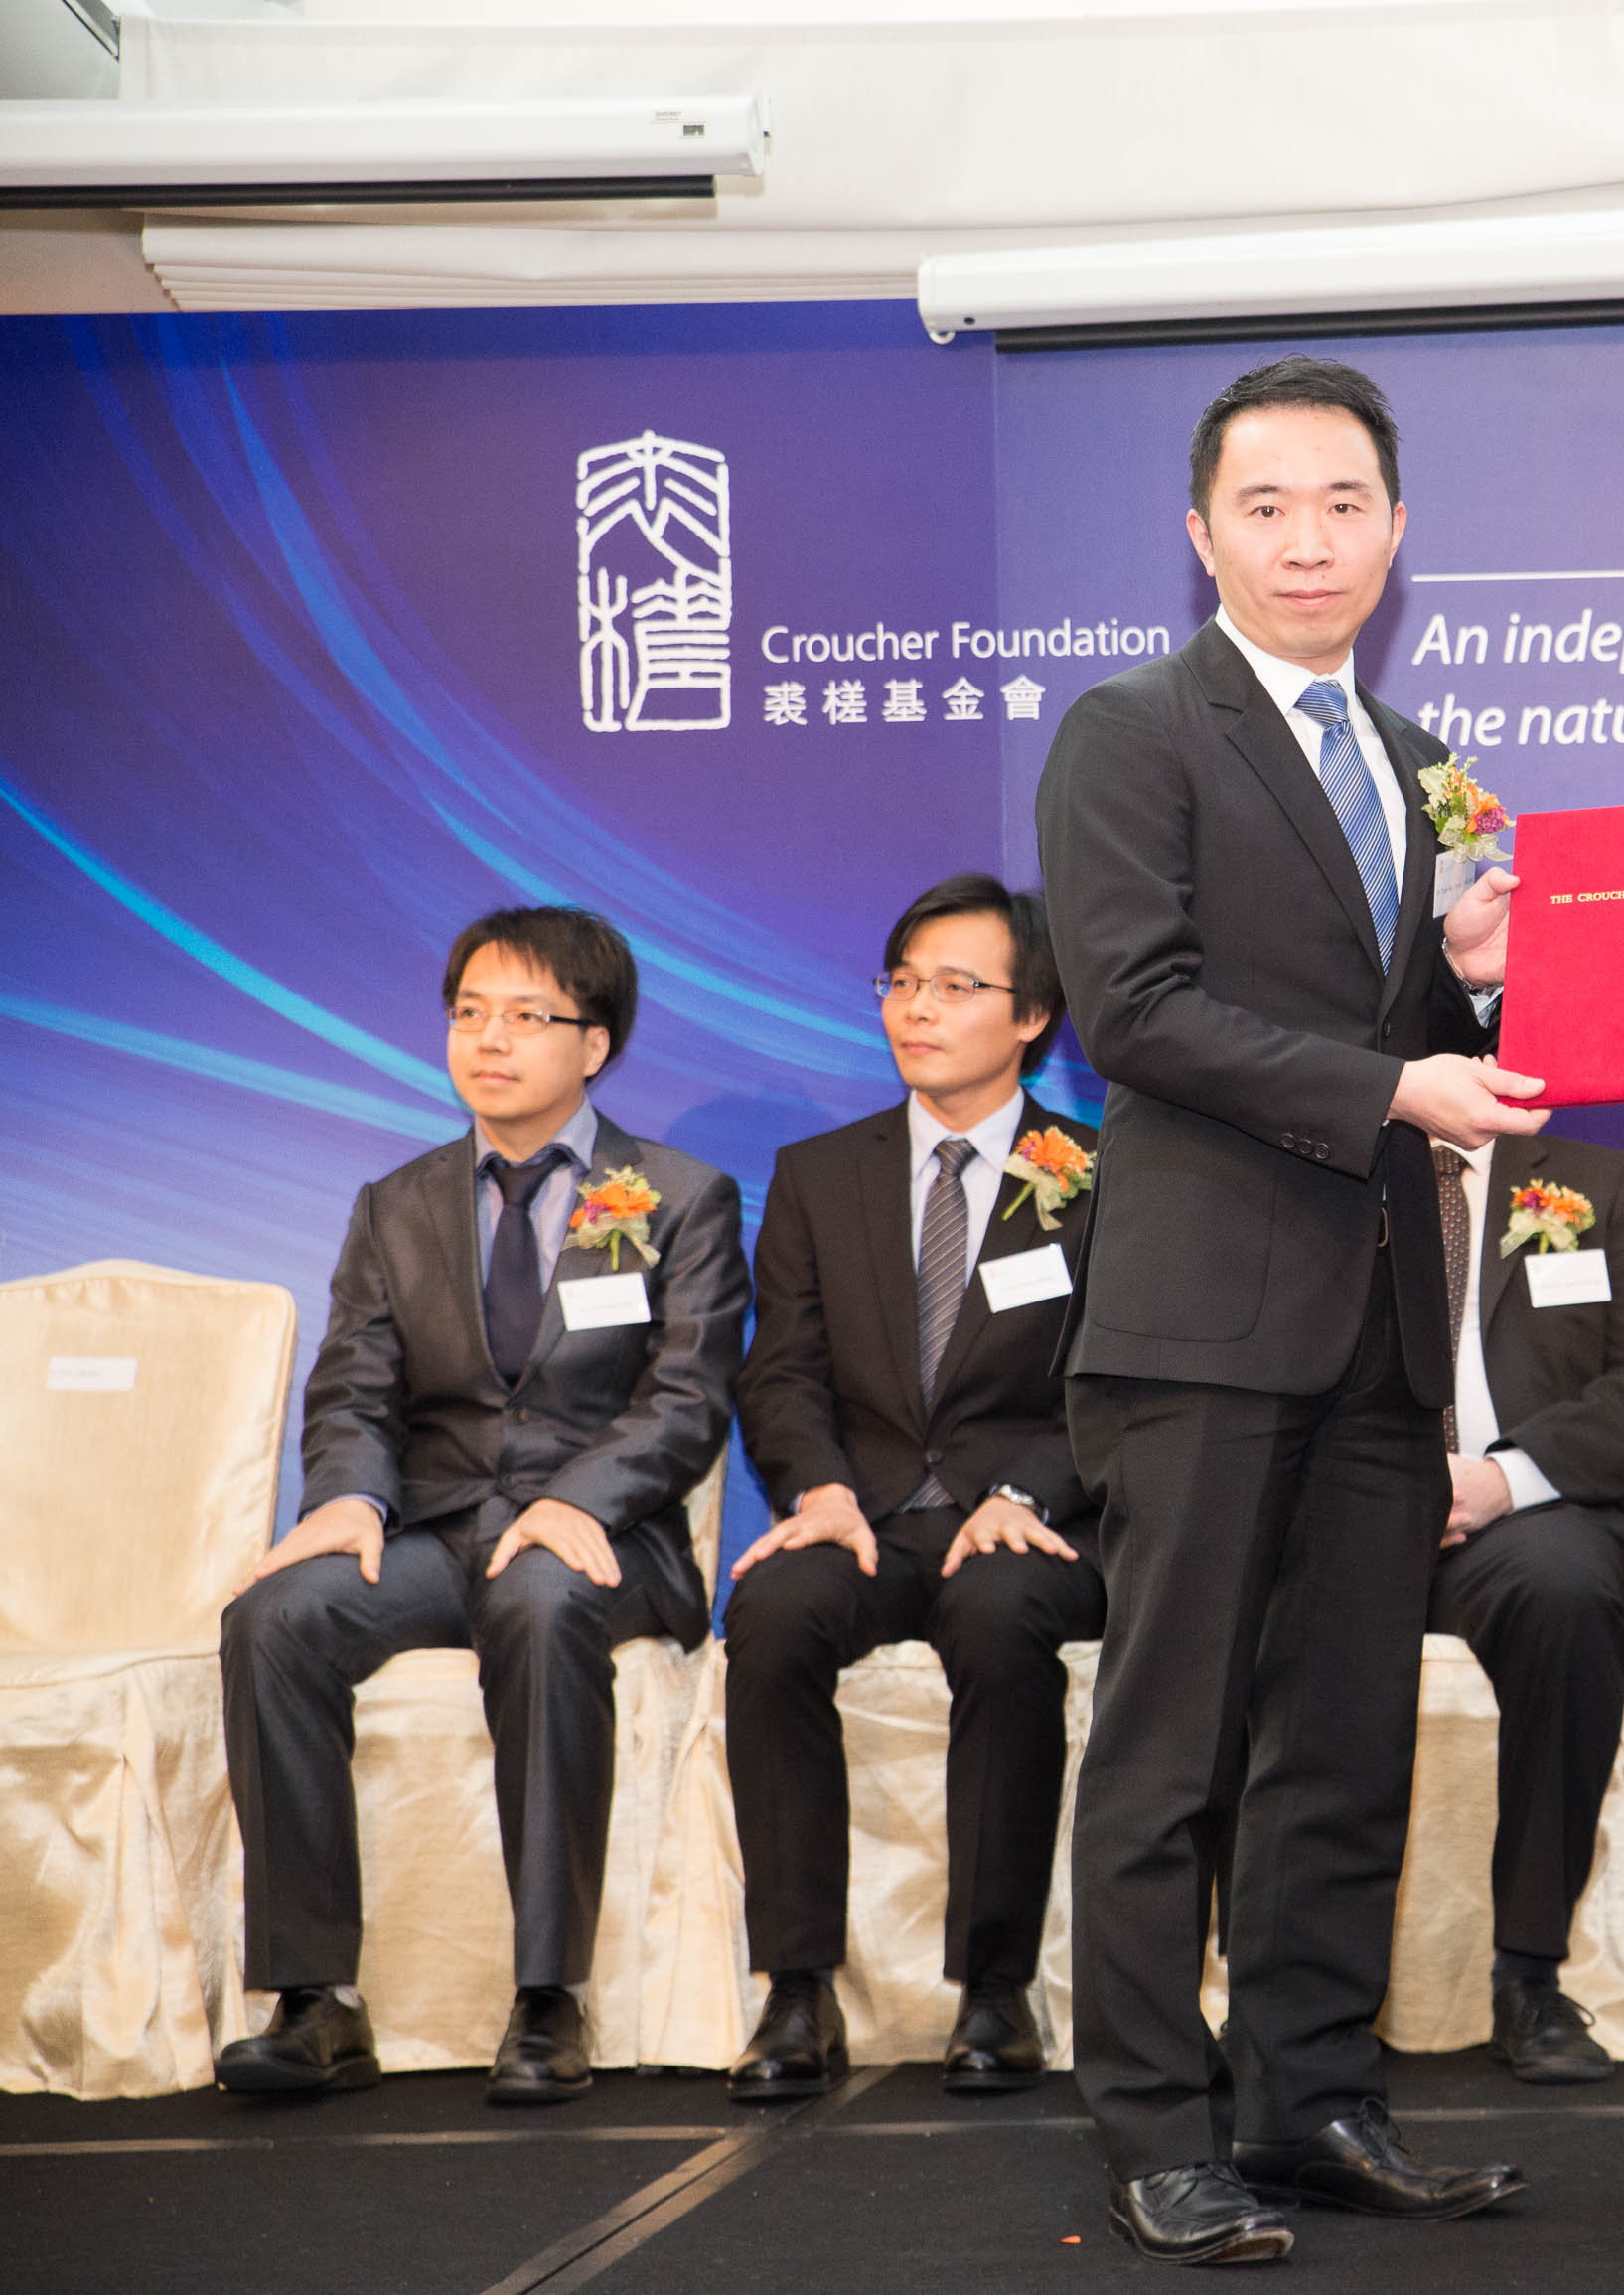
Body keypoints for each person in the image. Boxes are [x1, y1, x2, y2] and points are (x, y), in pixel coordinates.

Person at [1034, 356, 1542, 2268]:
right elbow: (1136, 1010)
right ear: (1200, 533)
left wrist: (1476, 996)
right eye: (1267, 506)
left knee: (1345, 1741)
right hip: (1198, 1323)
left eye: (1344, 504)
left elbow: (1407, 1034)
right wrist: (1399, 1083)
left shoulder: (1422, 762)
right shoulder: (1132, 730)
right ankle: (1156, 2128)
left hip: (1383, 1327)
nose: (1309, 538)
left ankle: (1314, 2100)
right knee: (1169, 1746)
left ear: (1397, 532)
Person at [215, 908, 746, 2105]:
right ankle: (314, 2002)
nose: (488, 1040)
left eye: (526, 1016)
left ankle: (548, 1997)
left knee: (541, 1596)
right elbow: (353, 1380)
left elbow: (686, 1396)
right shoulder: (395, 1203)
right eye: (469, 1014)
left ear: (594, 1044)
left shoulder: (678, 1195)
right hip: (435, 1530)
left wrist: (577, 1501)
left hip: (604, 1542)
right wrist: (348, 1499)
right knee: (276, 1619)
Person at [719, 874, 1106, 2101]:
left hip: (1027, 1522)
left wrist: (1032, 1492)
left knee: (998, 1622)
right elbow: (779, 1371)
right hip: (867, 1514)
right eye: (900, 982)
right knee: (773, 1620)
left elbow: (1121, 1379)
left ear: (1033, 1013)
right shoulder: (820, 1174)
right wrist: (818, 1490)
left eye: (955, 987)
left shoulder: (1102, 1173)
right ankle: (794, 1991)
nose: (916, 1010)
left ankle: (993, 1992)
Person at [1425, 1130, 1624, 2086]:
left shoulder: (1596, 1177)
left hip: (1530, 1511)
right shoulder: (1332, 1164)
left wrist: (1499, 1481)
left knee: (1566, 1591)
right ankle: (1273, 1982)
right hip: (1356, 1506)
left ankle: (1528, 1975)